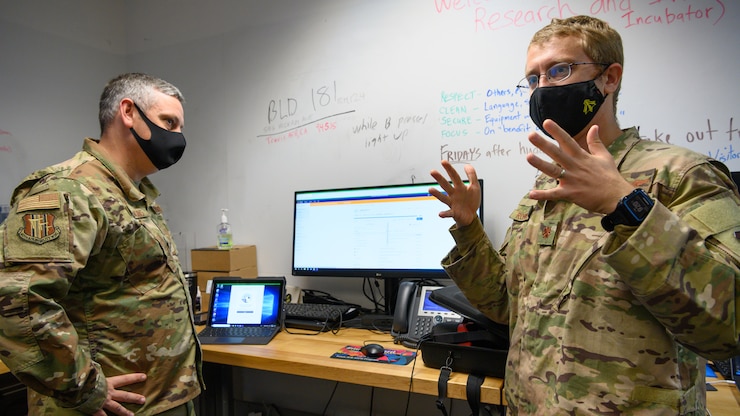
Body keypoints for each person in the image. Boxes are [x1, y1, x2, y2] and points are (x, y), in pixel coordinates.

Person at [430, 16, 740, 416]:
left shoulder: (680, 174)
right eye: (533, 78)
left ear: (609, 79)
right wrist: (470, 229)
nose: (543, 88)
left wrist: (626, 207)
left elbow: (729, 326)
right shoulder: (547, 187)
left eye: (559, 70)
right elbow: (507, 306)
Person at [0, 73, 203, 415]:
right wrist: (83, 389)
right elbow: (18, 302)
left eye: (181, 127)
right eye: (169, 122)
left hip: (159, 399)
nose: (178, 137)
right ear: (128, 112)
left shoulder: (134, 194)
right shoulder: (68, 190)